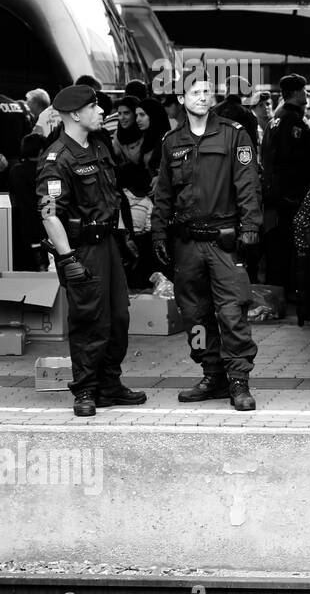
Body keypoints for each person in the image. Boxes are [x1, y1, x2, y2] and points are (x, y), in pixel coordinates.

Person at [35, 86, 145, 417]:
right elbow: (49, 213)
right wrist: (67, 258)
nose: (100, 112)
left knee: (118, 317)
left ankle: (109, 385)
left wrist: (124, 237)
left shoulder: (99, 147)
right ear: (74, 115)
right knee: (88, 319)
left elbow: (113, 197)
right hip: (82, 249)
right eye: (94, 107)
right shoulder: (57, 157)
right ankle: (85, 389)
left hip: (108, 244)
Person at [152, 78, 261, 411]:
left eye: (205, 92)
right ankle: (212, 374)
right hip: (187, 243)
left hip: (224, 239)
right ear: (182, 99)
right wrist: (158, 231)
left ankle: (238, 380)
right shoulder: (172, 142)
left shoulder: (233, 133)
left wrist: (251, 226)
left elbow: (248, 184)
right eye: (194, 92)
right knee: (195, 314)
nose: (201, 97)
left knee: (232, 311)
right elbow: (164, 192)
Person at [262, 74, 310, 299]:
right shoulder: (294, 121)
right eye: (304, 91)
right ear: (296, 93)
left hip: (275, 195)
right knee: (289, 247)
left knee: (277, 245)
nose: (306, 95)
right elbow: (298, 158)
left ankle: (277, 291)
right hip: (290, 196)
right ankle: (288, 292)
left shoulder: (275, 119)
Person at [9, 134, 47, 271]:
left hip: (23, 227)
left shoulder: (15, 171)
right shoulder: (45, 171)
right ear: (41, 151)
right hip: (45, 225)